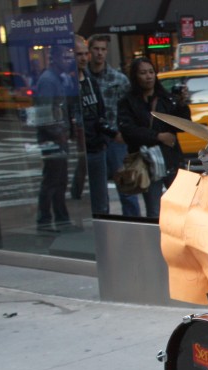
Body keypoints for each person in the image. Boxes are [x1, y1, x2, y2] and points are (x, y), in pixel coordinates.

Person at [117, 57, 191, 219]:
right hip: (147, 162)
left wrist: (182, 105)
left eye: (151, 72)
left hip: (171, 159)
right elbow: (128, 130)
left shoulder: (166, 99)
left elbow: (182, 126)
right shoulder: (127, 102)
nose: (148, 76)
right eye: (143, 73)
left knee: (181, 208)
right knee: (154, 211)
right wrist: (158, 137)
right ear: (135, 76)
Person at [87, 34, 140, 217]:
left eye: (103, 49)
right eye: (96, 49)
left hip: (116, 138)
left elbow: (130, 108)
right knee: (98, 190)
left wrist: (124, 131)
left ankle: (133, 224)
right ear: (89, 51)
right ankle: (103, 222)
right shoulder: (83, 79)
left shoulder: (118, 79)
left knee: (126, 187)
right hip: (93, 139)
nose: (100, 53)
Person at [34, 42, 75, 232]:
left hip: (58, 137)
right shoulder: (49, 80)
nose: (68, 61)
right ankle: (45, 220)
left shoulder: (57, 78)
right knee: (52, 181)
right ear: (55, 58)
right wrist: (59, 134)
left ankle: (61, 219)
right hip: (52, 139)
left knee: (59, 181)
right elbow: (44, 114)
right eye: (65, 57)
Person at [72, 35, 109, 216]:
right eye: (79, 54)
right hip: (79, 147)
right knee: (79, 190)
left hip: (96, 145)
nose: (84, 58)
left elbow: (100, 111)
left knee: (101, 199)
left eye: (85, 53)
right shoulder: (67, 84)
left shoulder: (89, 81)